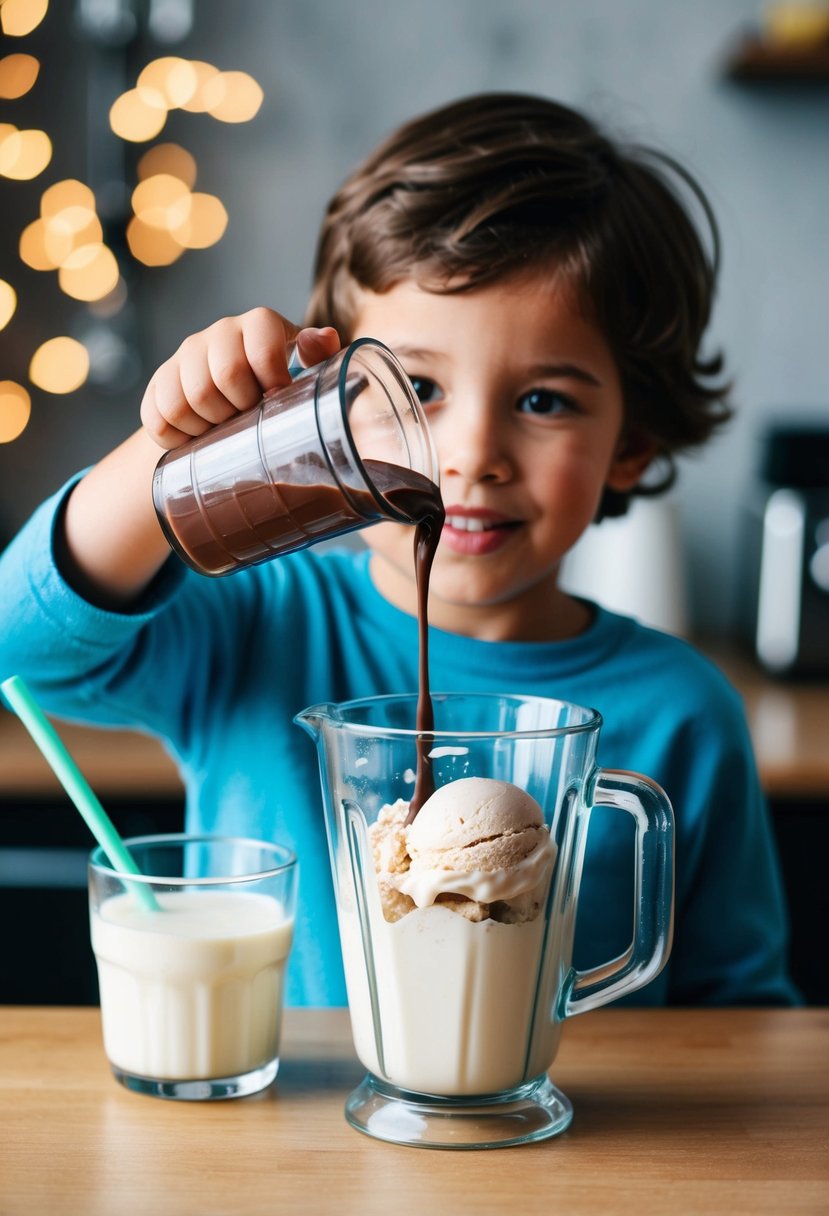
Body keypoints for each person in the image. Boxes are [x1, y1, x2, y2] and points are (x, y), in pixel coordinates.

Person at [0, 92, 798, 1007]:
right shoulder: (259, 623)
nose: (469, 456)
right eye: (416, 385)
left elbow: (741, 1017)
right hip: (275, 1146)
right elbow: (15, 647)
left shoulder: (682, 714)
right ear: (329, 401)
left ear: (632, 442)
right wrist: (170, 450)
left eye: (543, 401)